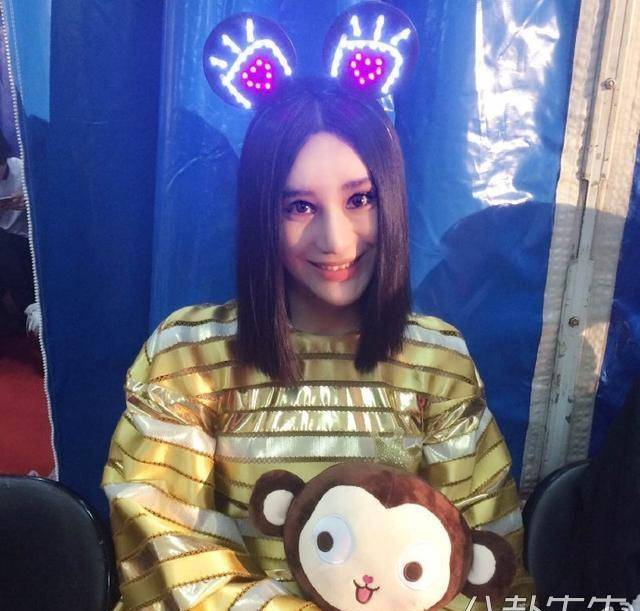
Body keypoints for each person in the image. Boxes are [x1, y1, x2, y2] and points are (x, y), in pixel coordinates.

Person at [103, 78, 533, 611]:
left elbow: (480, 557)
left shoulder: (437, 361)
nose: (335, 239)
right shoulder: (189, 358)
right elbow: (168, 550)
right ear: (262, 216)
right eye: (300, 207)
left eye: (360, 199)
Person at [0, 131, 33, 336]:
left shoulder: (21, 169)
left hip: (23, 241)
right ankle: (27, 307)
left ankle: (30, 307)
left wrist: (29, 202)